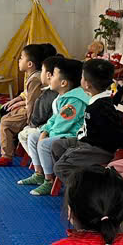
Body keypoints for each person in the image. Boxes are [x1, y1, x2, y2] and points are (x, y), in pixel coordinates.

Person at [49, 59, 123, 187]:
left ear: (87, 84)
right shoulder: (95, 102)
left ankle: (84, 191)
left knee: (61, 167)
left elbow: (118, 131)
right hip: (86, 142)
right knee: (57, 145)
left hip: (98, 149)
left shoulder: (102, 107)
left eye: (82, 77)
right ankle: (78, 177)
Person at [20, 58, 89, 196]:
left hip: (72, 135)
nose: (50, 77)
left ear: (63, 83)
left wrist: (47, 134)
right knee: (33, 136)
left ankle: (49, 180)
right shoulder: (63, 96)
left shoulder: (74, 100)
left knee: (44, 144)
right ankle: (39, 173)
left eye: (54, 75)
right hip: (63, 131)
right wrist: (45, 130)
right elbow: (55, 118)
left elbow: (63, 125)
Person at [0, 44, 56, 167]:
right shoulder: (33, 76)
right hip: (31, 110)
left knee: (6, 122)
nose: (19, 60)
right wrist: (19, 102)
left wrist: (30, 121)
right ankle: (8, 146)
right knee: (6, 112)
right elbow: (28, 96)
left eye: (21, 58)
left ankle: (6, 156)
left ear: (30, 64)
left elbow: (32, 102)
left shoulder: (35, 78)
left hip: (33, 114)